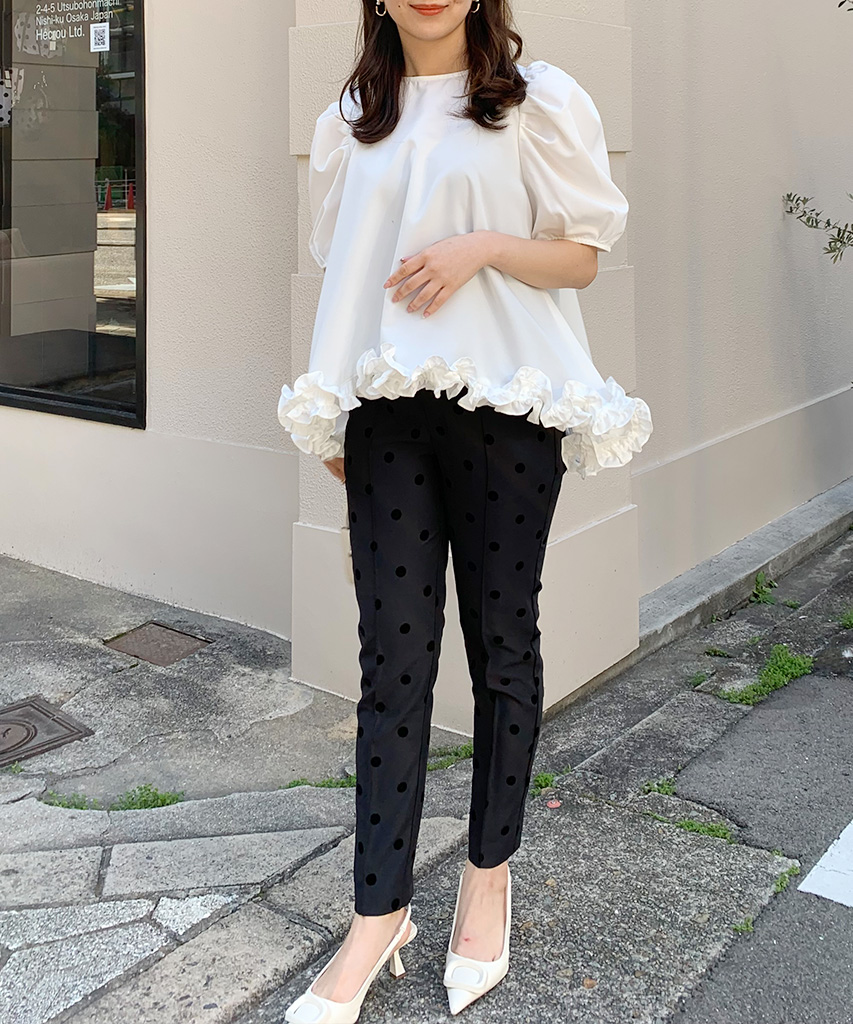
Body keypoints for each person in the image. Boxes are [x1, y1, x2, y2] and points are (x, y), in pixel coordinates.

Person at [279, 2, 653, 1020]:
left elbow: (581, 254)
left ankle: (487, 879)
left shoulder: (537, 102)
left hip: (507, 411)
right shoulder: (350, 118)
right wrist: (330, 412)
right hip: (386, 416)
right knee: (392, 665)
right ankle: (377, 914)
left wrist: (481, 246)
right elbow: (345, 275)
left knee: (502, 647)